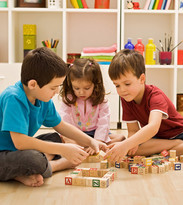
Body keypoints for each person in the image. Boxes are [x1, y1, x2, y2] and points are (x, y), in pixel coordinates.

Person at [0, 47, 107, 187]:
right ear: (33, 84)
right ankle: (54, 165)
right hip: (4, 153)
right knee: (35, 160)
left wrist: (90, 141)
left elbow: (61, 126)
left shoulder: (43, 99)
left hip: (16, 151)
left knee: (56, 138)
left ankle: (25, 171)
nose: (56, 92)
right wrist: (63, 150)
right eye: (53, 88)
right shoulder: (13, 98)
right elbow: (20, 142)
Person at [104, 49, 183, 162]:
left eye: (127, 84)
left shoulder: (155, 95)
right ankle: (174, 146)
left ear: (142, 79)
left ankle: (167, 148)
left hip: (181, 133)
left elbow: (153, 127)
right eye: (117, 85)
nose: (122, 90)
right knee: (133, 149)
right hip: (157, 138)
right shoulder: (127, 97)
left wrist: (126, 145)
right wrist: (129, 144)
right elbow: (133, 130)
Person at [59, 58, 125, 154]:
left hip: (95, 133)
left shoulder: (101, 100)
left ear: (95, 84)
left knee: (118, 138)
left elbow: (104, 122)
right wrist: (71, 138)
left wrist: (98, 141)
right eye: (76, 88)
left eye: (87, 88)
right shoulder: (69, 98)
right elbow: (64, 119)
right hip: (77, 134)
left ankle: (90, 145)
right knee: (63, 139)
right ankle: (86, 145)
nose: (81, 92)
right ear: (70, 84)